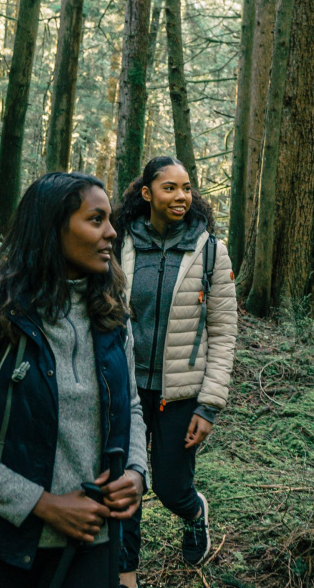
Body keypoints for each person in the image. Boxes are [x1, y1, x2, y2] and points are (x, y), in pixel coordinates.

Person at [0, 172, 148, 588]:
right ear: (52, 229)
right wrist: (43, 505)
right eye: (95, 220)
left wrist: (135, 471)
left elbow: (131, 405)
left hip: (93, 544)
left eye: (110, 220)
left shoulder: (113, 315)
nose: (113, 232)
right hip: (2, 549)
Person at [114, 156, 237, 587]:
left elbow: (223, 332)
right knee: (125, 486)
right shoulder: (120, 244)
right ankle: (126, 574)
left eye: (186, 188)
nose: (181, 196)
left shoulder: (209, 251)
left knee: (168, 485)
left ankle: (193, 510)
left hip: (181, 393)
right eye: (170, 188)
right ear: (147, 193)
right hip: (124, 387)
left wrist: (210, 405)